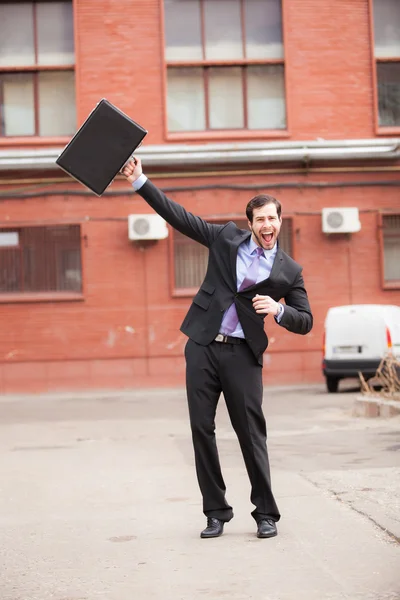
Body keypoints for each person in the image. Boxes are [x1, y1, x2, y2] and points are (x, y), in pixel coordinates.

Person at [122, 158, 313, 539]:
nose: (267, 226)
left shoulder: (289, 271)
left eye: (272, 219)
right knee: (201, 429)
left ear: (280, 221)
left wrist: (279, 309)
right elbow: (180, 217)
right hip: (203, 346)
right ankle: (216, 511)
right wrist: (139, 180)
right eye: (260, 219)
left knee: (250, 433)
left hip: (243, 354)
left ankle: (266, 513)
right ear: (250, 223)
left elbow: (305, 320)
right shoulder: (225, 238)